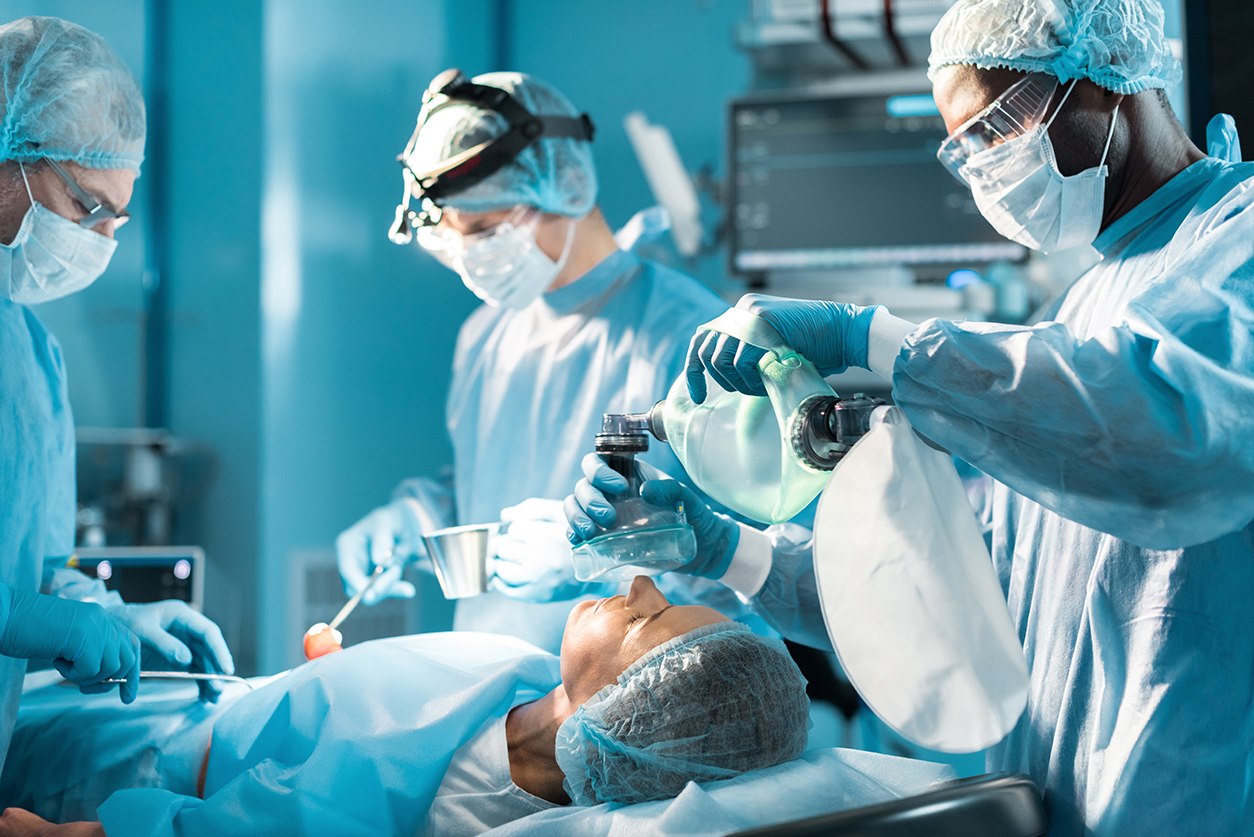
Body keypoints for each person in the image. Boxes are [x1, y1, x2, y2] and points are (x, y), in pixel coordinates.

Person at [569, 0, 1254, 832]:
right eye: (961, 148)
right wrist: (725, 548)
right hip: (1063, 801)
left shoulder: (1237, 241)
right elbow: (946, 598)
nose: (983, 168)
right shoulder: (1084, 307)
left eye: (997, 126)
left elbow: (1172, 439)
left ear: (1109, 82)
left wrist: (872, 336)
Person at [336, 69, 747, 652]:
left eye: (485, 229)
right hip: (500, 696)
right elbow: (489, 481)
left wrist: (603, 556)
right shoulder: (486, 335)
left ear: (565, 189)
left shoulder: (689, 336)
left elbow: (752, 563)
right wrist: (414, 518)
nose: (472, 257)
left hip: (649, 704)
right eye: (456, 237)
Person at [0, 576, 810, 837]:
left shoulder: (461, 796)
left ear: (629, 708)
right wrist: (332, 686)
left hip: (129, 778)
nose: (640, 586)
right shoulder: (533, 685)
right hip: (194, 718)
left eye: (651, 619)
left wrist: (85, 832)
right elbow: (386, 722)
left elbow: (266, 825)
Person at [0, 14, 235, 772]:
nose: (102, 241)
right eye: (88, 208)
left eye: (116, 219)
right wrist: (18, 616)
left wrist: (105, 611)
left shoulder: (31, 352)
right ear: (11, 155)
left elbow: (28, 568)